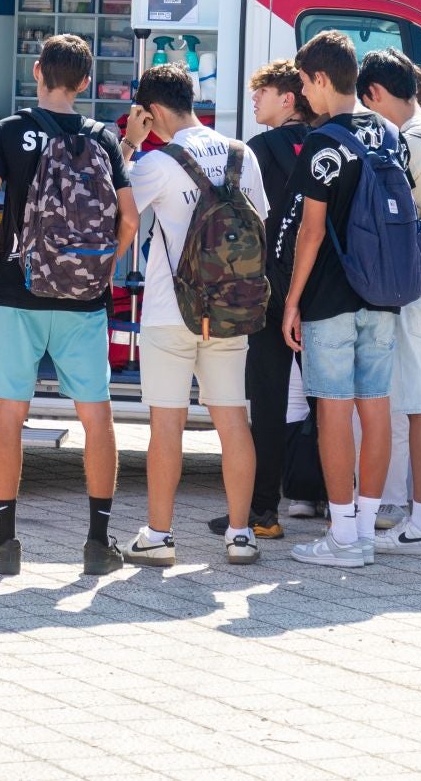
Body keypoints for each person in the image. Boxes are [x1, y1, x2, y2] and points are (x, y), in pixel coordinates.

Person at [0, 35, 136, 577]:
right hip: (82, 301)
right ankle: (96, 544)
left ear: (37, 71)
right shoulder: (103, 139)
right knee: (97, 417)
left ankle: (4, 544)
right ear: (85, 82)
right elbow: (129, 219)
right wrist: (102, 272)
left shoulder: (9, 132)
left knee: (9, 415)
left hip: (17, 293)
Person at [120, 63, 266, 567]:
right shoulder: (242, 156)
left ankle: (159, 536)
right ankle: (241, 534)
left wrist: (130, 146)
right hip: (230, 308)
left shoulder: (154, 164)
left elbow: (121, 218)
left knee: (167, 425)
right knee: (233, 421)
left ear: (152, 110)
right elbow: (259, 224)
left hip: (170, 310)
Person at [280, 31, 399, 570]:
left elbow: (311, 232)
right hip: (384, 292)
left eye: (304, 83)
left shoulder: (324, 142)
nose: (303, 94)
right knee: (374, 408)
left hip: (331, 294)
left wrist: (291, 301)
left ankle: (343, 534)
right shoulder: (388, 133)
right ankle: (367, 530)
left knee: (332, 409)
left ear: (322, 79)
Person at [357, 50, 421, 555]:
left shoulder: (410, 142)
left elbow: (396, 220)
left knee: (419, 406)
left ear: (375, 94)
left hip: (419, 286)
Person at [207, 59, 313, 540]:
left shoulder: (257, 150)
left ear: (287, 97)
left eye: (262, 92)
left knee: (266, 403)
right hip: (320, 292)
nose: (255, 100)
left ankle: (262, 512)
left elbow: (236, 221)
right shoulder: (324, 144)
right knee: (333, 403)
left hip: (268, 292)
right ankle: (343, 506)